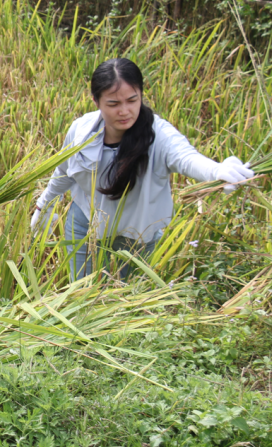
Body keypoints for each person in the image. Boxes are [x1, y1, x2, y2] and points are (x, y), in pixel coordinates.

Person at [32, 57, 254, 281]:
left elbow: (187, 158)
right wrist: (44, 204)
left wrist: (216, 171)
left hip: (135, 239)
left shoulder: (159, 135)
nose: (125, 111)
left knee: (125, 305)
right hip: (83, 229)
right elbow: (63, 172)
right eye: (113, 104)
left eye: (132, 100)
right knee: (80, 298)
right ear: (96, 101)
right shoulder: (81, 130)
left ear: (141, 96)